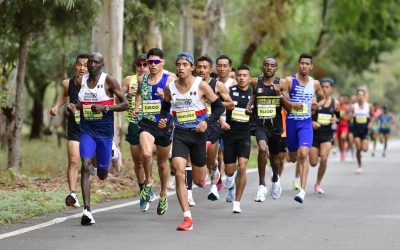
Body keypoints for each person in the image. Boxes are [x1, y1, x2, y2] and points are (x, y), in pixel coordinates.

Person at [158, 52, 225, 231]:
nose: (181, 68)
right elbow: (165, 108)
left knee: (198, 180)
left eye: (185, 64)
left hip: (198, 136)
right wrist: (164, 119)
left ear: (192, 67)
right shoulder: (170, 87)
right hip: (180, 133)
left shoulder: (201, 86)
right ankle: (187, 218)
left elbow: (218, 107)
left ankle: (213, 168)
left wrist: (206, 122)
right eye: (178, 64)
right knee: (179, 171)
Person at [69, 52, 128, 225]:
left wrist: (106, 108)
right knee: (86, 165)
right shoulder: (81, 81)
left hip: (104, 132)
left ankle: (111, 152)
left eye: (96, 62)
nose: (92, 65)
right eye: (90, 62)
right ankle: (87, 210)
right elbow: (82, 104)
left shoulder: (109, 81)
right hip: (87, 130)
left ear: (102, 65)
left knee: (102, 174)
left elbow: (125, 104)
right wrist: (75, 106)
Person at [134, 48, 175, 215]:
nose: (152, 65)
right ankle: (148, 182)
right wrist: (137, 107)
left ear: (162, 63)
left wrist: (166, 96)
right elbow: (138, 94)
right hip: (147, 123)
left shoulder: (169, 79)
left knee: (162, 164)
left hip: (164, 125)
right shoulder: (142, 79)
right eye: (149, 62)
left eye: (155, 62)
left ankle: (163, 194)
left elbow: (179, 100)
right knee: (146, 154)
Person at [246, 56, 291, 201]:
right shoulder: (255, 82)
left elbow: (289, 108)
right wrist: (248, 106)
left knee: (275, 159)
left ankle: (276, 179)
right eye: (266, 65)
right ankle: (261, 185)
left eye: (272, 65)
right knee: (263, 149)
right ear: (262, 67)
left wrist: (279, 94)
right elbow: (252, 97)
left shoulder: (281, 83)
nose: (269, 67)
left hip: (276, 126)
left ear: (276, 69)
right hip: (260, 125)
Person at [284, 53, 326, 203]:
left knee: (304, 153)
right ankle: (287, 153)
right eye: (302, 63)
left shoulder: (315, 83)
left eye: (307, 64)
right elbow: (283, 97)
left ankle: (302, 191)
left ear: (311, 66)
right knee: (293, 158)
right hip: (291, 123)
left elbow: (323, 98)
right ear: (298, 64)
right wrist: (290, 104)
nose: (304, 66)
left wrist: (317, 105)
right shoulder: (289, 80)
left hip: (306, 123)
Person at [50, 53, 89, 208]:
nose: (82, 68)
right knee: (73, 160)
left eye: (85, 65)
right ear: (75, 65)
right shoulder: (68, 83)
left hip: (93, 128)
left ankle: (112, 153)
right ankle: (72, 193)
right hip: (75, 126)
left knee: (90, 163)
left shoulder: (97, 84)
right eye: (79, 64)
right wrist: (56, 106)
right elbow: (65, 95)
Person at [195, 55, 234, 202]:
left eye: (205, 67)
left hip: (212, 127)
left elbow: (231, 104)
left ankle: (214, 179)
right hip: (194, 126)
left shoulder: (217, 85)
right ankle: (190, 194)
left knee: (211, 161)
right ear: (194, 68)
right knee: (192, 158)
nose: (201, 70)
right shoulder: (190, 83)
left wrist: (214, 102)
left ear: (210, 69)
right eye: (199, 67)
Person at [122, 54, 157, 211]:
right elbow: (119, 96)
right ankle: (143, 188)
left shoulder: (156, 79)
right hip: (134, 123)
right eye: (139, 64)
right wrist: (126, 95)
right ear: (135, 65)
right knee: (137, 161)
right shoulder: (129, 80)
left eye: (145, 64)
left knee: (147, 156)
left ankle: (149, 183)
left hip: (151, 124)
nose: (142, 67)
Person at [224, 64, 252, 212]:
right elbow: (219, 108)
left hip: (244, 136)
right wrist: (222, 120)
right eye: (239, 75)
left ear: (249, 78)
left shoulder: (254, 94)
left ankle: (237, 202)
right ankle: (231, 179)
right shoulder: (229, 92)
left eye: (244, 75)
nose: (241, 78)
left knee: (242, 166)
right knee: (229, 171)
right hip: (229, 135)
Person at [309, 78, 340, 194]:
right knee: (313, 163)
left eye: (327, 87)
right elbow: (307, 116)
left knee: (324, 158)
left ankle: (318, 184)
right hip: (314, 135)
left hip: (327, 135)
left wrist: (335, 120)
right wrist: (312, 123)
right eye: (323, 87)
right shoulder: (314, 101)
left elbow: (338, 119)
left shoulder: (335, 103)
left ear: (331, 89)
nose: (325, 89)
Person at [216, 55, 238, 196]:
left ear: (230, 68)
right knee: (216, 152)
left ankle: (231, 186)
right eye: (219, 65)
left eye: (225, 66)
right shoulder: (211, 83)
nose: (222, 68)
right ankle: (216, 178)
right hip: (215, 121)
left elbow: (236, 105)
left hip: (232, 123)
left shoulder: (235, 83)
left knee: (229, 156)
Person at [351, 88, 374, 174]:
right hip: (356, 129)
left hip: (365, 130)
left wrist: (370, 123)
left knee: (364, 149)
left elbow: (373, 116)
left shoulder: (369, 106)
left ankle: (363, 148)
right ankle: (359, 166)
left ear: (365, 96)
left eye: (362, 95)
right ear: (357, 96)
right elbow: (349, 117)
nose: (360, 96)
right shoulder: (354, 106)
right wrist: (351, 115)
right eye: (359, 95)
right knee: (358, 148)